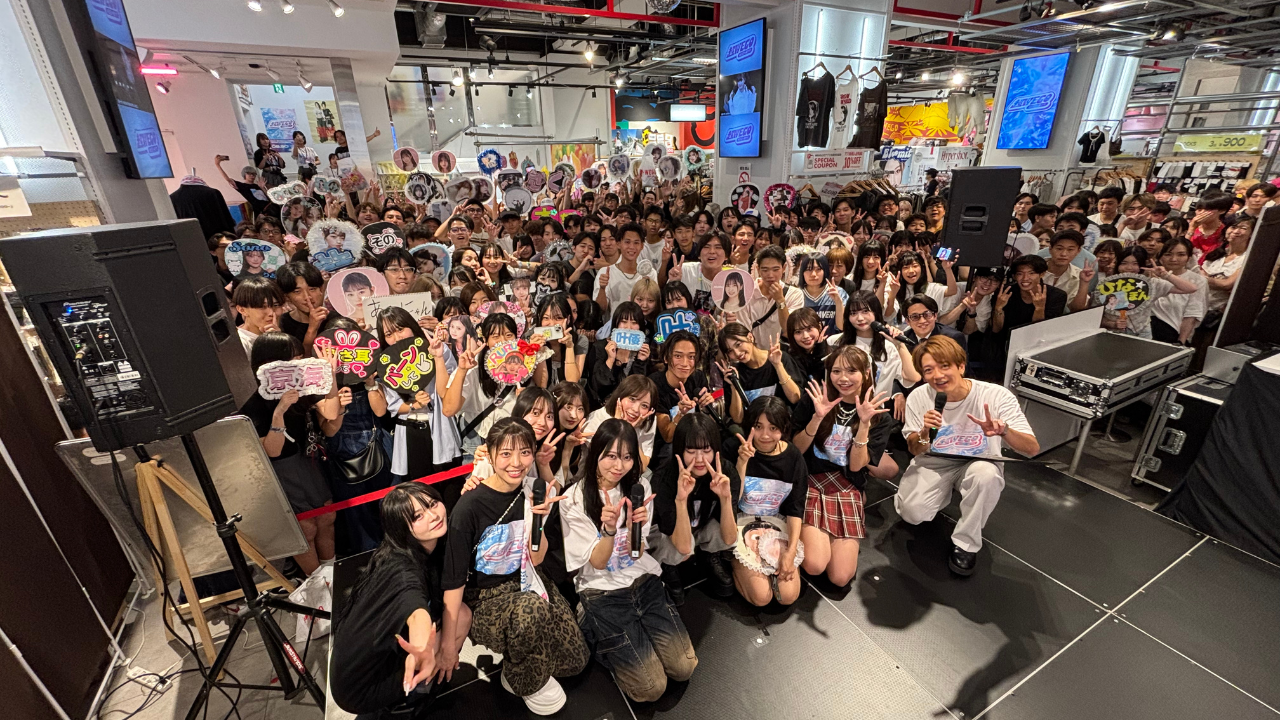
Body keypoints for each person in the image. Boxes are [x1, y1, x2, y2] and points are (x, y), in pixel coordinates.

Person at [439, 419, 589, 715]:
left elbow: (537, 559)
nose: (516, 463)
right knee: (531, 612)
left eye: (525, 452)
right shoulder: (469, 507)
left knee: (575, 661)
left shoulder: (533, 491)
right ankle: (519, 677)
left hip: (527, 579)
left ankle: (525, 653)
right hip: (485, 598)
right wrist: (448, 642)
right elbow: (454, 580)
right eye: (506, 453)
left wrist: (538, 520)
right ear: (491, 454)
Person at [561, 420, 698, 701]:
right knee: (651, 689)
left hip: (642, 580)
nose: (619, 466)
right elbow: (598, 563)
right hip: (602, 590)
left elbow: (636, 553)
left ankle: (620, 634)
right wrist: (609, 530)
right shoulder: (573, 498)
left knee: (684, 667)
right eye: (611, 456)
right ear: (596, 453)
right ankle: (592, 624)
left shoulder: (639, 487)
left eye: (626, 457)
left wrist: (637, 527)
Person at [896, 336, 1039, 576]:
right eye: (928, 370)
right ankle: (943, 491)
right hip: (934, 462)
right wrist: (924, 432)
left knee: (986, 477)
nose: (937, 375)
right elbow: (914, 448)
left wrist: (1004, 431)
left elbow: (1032, 448)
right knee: (912, 513)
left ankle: (966, 543)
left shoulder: (996, 395)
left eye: (944, 366)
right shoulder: (919, 397)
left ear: (961, 366)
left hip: (979, 461)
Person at [330, 483, 468, 717]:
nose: (433, 516)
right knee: (461, 617)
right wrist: (422, 649)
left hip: (361, 668)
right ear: (401, 527)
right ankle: (410, 700)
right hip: (361, 690)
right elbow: (415, 611)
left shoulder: (404, 549)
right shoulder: (403, 570)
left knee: (456, 613)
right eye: (418, 516)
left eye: (433, 504)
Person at [790, 346, 890, 587]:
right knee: (814, 565)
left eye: (851, 371)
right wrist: (817, 417)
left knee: (840, 577)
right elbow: (796, 450)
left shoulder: (878, 415)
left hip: (847, 484)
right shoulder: (815, 400)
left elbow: (856, 466)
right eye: (836, 371)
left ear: (866, 373)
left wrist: (864, 424)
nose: (843, 378)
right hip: (811, 479)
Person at [240, 332, 337, 575]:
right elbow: (272, 451)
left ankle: (332, 576)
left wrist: (331, 374)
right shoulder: (253, 398)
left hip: (307, 459)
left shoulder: (303, 386)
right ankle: (317, 585)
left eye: (300, 358)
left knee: (326, 517)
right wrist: (280, 411)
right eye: (292, 359)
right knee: (305, 529)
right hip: (280, 469)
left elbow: (332, 413)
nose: (299, 364)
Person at [651, 413, 740, 601]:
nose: (699, 459)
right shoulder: (664, 478)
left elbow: (729, 538)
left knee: (726, 530)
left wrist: (725, 498)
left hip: (701, 525)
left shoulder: (725, 472)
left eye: (706, 450)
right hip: (672, 535)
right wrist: (681, 499)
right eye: (691, 451)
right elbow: (683, 546)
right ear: (679, 450)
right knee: (679, 549)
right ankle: (669, 566)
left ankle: (710, 555)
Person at [728, 397, 809, 606]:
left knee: (787, 596)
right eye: (758, 426)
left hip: (776, 522)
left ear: (783, 428)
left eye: (773, 428)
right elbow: (731, 502)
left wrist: (791, 551)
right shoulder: (734, 447)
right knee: (761, 598)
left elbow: (796, 508)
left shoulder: (793, 457)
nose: (765, 435)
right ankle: (733, 561)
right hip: (740, 521)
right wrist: (742, 463)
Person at [838, 290, 920, 426]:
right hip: (842, 413)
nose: (859, 318)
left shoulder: (888, 347)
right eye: (853, 313)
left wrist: (899, 344)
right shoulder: (837, 343)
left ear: (876, 312)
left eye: (865, 311)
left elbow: (913, 377)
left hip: (876, 417)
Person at [715, 322, 803, 425]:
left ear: (750, 337)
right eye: (730, 351)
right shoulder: (734, 374)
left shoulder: (780, 358)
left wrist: (778, 365)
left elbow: (795, 398)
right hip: (753, 429)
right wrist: (734, 385)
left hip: (782, 425)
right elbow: (738, 419)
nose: (737, 353)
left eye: (738, 344)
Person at [741, 245, 804, 349]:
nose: (770, 275)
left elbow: (788, 330)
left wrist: (780, 300)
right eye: (765, 270)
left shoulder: (794, 294)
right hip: (752, 353)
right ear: (758, 269)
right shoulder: (746, 293)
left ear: (784, 268)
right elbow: (743, 330)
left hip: (782, 353)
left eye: (775, 269)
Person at [1151, 238, 1207, 345]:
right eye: (1168, 254)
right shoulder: (1150, 276)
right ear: (1160, 257)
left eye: (1181, 255)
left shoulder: (1198, 280)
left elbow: (1192, 313)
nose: (1174, 259)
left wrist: (1181, 341)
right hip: (1146, 329)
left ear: (1189, 258)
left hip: (1173, 333)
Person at [992, 255, 1066, 335]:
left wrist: (1039, 309)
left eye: (1031, 273)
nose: (1025, 278)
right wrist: (998, 309)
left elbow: (1040, 332)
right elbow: (996, 330)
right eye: (1020, 274)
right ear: (1014, 276)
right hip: (1006, 338)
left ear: (1042, 274)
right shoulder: (1004, 292)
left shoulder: (1057, 296)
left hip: (1037, 340)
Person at [593, 223, 658, 315]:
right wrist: (602, 288)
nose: (631, 247)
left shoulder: (650, 273)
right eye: (627, 242)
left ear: (642, 246)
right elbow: (600, 310)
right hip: (615, 323)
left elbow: (654, 307)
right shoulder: (605, 272)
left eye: (636, 243)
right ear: (618, 244)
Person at [276, 262, 338, 349]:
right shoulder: (281, 323)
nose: (307, 297)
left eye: (312, 289)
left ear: (321, 289)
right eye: (297, 292)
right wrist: (312, 329)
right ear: (287, 297)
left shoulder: (337, 320)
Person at [1199, 216, 1253, 313]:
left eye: (1243, 228)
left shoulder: (1248, 258)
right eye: (1233, 227)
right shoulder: (1216, 253)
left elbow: (1227, 284)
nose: (1236, 231)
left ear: (1252, 234)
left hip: (1217, 312)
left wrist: (1203, 278)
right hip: (1197, 304)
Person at [1041, 230, 1094, 313]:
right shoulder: (1035, 269)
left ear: (1078, 251)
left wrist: (1084, 282)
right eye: (1059, 248)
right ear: (1050, 249)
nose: (1064, 254)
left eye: (1070, 249)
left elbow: (1076, 309)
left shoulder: (1079, 274)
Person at [796, 253, 847, 336]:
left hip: (832, 342)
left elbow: (842, 327)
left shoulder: (839, 292)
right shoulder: (796, 294)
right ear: (802, 272)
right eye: (808, 269)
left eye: (818, 269)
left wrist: (838, 302)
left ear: (825, 271)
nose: (813, 274)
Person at [232, 276, 284, 357]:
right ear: (242, 310)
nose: (271, 313)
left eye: (276, 305)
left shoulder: (281, 334)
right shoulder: (240, 343)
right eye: (262, 307)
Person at [785, 307, 829, 383]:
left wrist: (820, 349)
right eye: (798, 332)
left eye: (809, 329)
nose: (805, 336)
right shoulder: (789, 359)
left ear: (819, 326)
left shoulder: (833, 353)